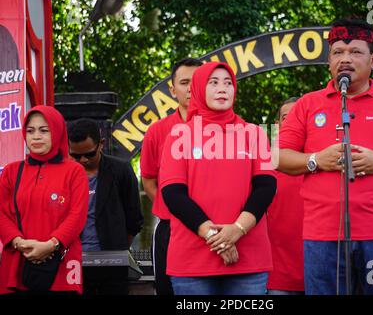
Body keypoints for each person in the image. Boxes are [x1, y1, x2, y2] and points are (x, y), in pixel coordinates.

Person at [276, 18, 373, 295]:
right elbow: (278, 157)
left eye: (355, 52)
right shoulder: (307, 105)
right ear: (329, 61)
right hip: (323, 235)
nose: (345, 59)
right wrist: (315, 160)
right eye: (338, 52)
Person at [159, 61, 277, 295]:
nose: (222, 89)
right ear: (199, 89)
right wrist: (218, 238)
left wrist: (238, 229)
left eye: (228, 83)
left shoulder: (254, 133)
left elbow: (266, 187)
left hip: (249, 259)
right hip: (192, 261)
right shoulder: (178, 135)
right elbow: (173, 194)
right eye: (213, 83)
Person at [0, 105, 89, 294]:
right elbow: (1, 212)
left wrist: (51, 245)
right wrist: (19, 243)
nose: (36, 136)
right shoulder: (11, 171)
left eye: (44, 130)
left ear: (57, 132)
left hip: (62, 265)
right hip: (17, 262)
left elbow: (77, 215)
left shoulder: (74, 171)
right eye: (30, 131)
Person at [140, 57, 203, 295]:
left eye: (197, 81)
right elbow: (149, 180)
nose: (190, 88)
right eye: (184, 82)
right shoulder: (157, 131)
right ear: (172, 88)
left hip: (216, 229)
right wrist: (175, 208)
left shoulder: (225, 129)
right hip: (171, 227)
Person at [67, 118, 143, 295]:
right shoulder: (65, 173)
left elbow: (134, 217)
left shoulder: (121, 170)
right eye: (76, 156)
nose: (83, 160)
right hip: (73, 261)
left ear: (101, 144)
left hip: (113, 261)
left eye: (89, 154)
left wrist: (119, 246)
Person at [267, 97, 305, 295]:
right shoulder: (265, 164)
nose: (291, 122)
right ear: (277, 125)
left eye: (297, 117)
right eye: (285, 117)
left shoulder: (324, 161)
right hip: (277, 276)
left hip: (321, 272)